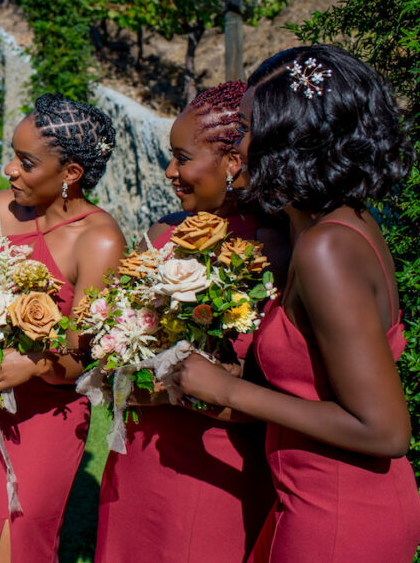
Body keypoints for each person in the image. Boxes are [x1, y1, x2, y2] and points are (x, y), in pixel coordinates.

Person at [171, 45, 420, 562]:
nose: (233, 144)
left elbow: (387, 430)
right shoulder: (326, 225)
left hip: (340, 516)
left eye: (244, 128)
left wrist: (225, 389)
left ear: (290, 139)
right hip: (311, 498)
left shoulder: (327, 247)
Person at [94, 81, 282, 563]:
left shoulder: (276, 251)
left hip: (218, 464)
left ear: (233, 161)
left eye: (182, 157)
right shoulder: (160, 234)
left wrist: (189, 388)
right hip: (142, 451)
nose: (169, 171)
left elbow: (285, 388)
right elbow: (115, 336)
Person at [0, 93, 126, 563]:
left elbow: (86, 358)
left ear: (70, 173)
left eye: (25, 162)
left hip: (47, 414)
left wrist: (33, 365)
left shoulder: (100, 239)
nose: (9, 170)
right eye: (13, 154)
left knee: (19, 542)